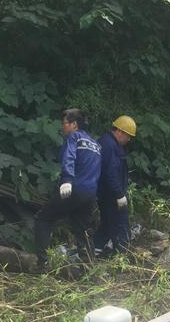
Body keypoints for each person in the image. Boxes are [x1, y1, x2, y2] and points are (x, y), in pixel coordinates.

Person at [34, 109, 101, 269]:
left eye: (64, 123)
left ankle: (42, 264)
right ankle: (89, 268)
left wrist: (66, 180)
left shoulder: (74, 137)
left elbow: (69, 157)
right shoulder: (96, 145)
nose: (62, 126)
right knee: (83, 230)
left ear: (74, 124)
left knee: (43, 219)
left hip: (74, 189)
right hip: (90, 193)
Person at [94, 115, 136, 258]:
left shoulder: (107, 142)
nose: (129, 139)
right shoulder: (110, 145)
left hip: (105, 193)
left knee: (107, 223)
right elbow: (110, 173)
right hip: (111, 194)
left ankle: (94, 249)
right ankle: (121, 257)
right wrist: (119, 194)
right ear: (119, 131)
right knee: (120, 223)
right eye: (128, 136)